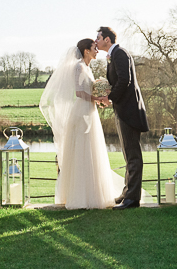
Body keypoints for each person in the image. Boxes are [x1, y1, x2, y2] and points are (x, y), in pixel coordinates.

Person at [39, 38, 122, 209]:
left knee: (92, 150)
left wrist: (99, 97)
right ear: (86, 51)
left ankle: (92, 193)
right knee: (82, 151)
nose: (96, 51)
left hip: (89, 110)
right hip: (81, 112)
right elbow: (79, 92)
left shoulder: (87, 68)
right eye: (94, 48)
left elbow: (88, 89)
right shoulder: (79, 67)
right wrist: (96, 98)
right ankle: (80, 196)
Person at [97, 26, 149, 210]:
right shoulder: (113, 55)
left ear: (107, 40)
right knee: (128, 154)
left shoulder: (119, 53)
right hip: (123, 109)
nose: (96, 41)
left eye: (99, 38)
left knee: (133, 155)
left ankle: (132, 200)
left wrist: (108, 98)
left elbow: (124, 80)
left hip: (129, 111)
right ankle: (127, 193)